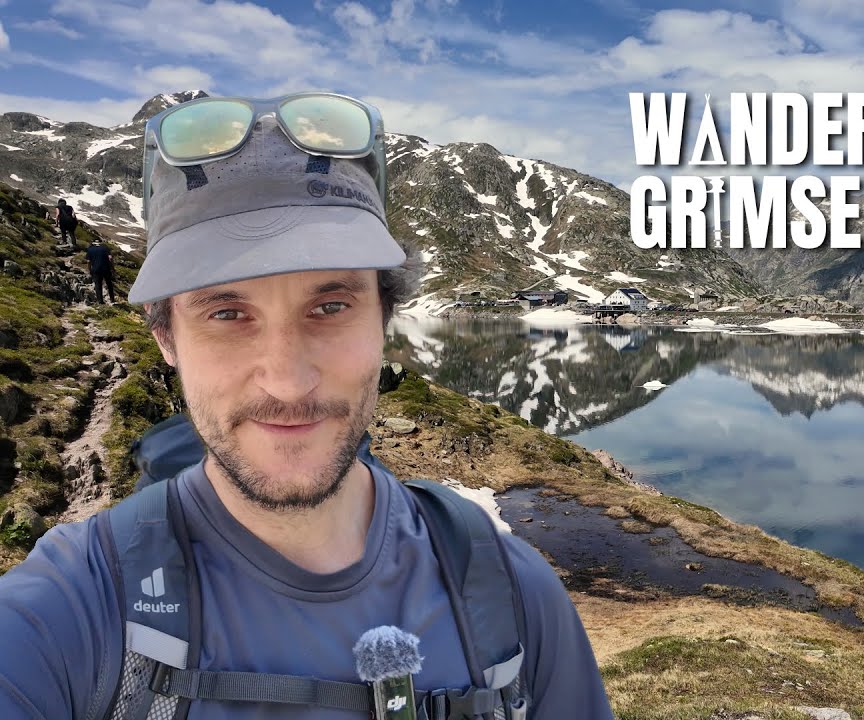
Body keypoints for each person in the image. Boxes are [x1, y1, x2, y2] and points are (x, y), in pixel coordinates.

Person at [0, 93, 614, 719]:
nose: (288, 382)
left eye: (329, 307)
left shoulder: (513, 596)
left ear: (385, 320)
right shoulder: (67, 613)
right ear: (166, 337)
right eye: (227, 313)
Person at [85, 238, 117, 304]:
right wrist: (113, 268)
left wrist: (89, 270)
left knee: (98, 285)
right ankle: (112, 299)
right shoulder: (105, 248)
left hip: (96, 269)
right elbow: (110, 258)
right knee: (109, 284)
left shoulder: (90, 249)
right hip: (106, 268)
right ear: (100, 242)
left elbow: (88, 261)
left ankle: (100, 301)